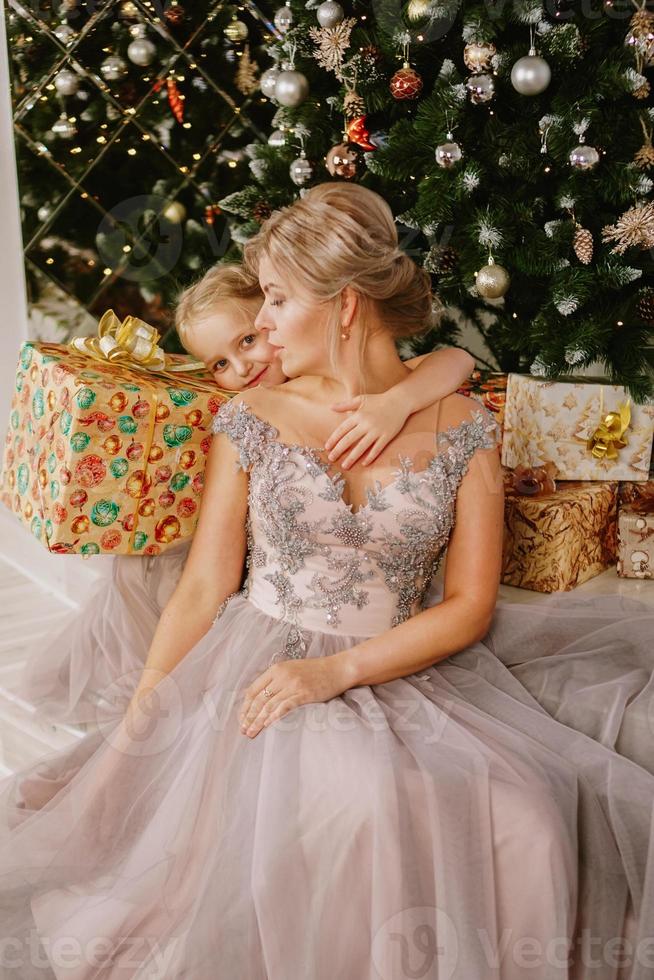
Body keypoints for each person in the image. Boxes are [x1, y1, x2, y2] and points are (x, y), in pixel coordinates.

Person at [0, 182, 652, 980]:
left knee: (533, 820)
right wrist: (150, 706)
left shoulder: (464, 427)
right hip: (259, 663)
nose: (262, 325)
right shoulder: (253, 417)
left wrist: (335, 670)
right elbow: (205, 586)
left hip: (402, 664)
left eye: (276, 299)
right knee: (367, 807)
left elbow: (470, 606)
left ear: (345, 305)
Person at [16, 261, 475, 728]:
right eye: (219, 364)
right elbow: (205, 582)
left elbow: (456, 359)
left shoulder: (376, 386)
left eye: (248, 341)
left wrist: (399, 402)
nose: (241, 368)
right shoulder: (246, 412)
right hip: (236, 576)